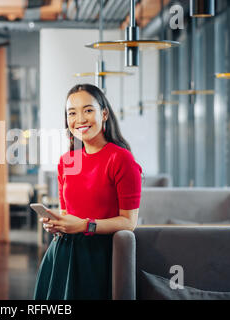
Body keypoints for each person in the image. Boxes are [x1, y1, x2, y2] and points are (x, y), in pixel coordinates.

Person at [33, 84, 142, 300]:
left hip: (100, 256)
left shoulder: (120, 159)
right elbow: (67, 213)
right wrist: (57, 223)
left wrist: (84, 225)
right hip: (62, 254)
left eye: (88, 110)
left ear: (104, 114)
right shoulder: (67, 161)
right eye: (72, 113)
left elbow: (129, 222)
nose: (80, 119)